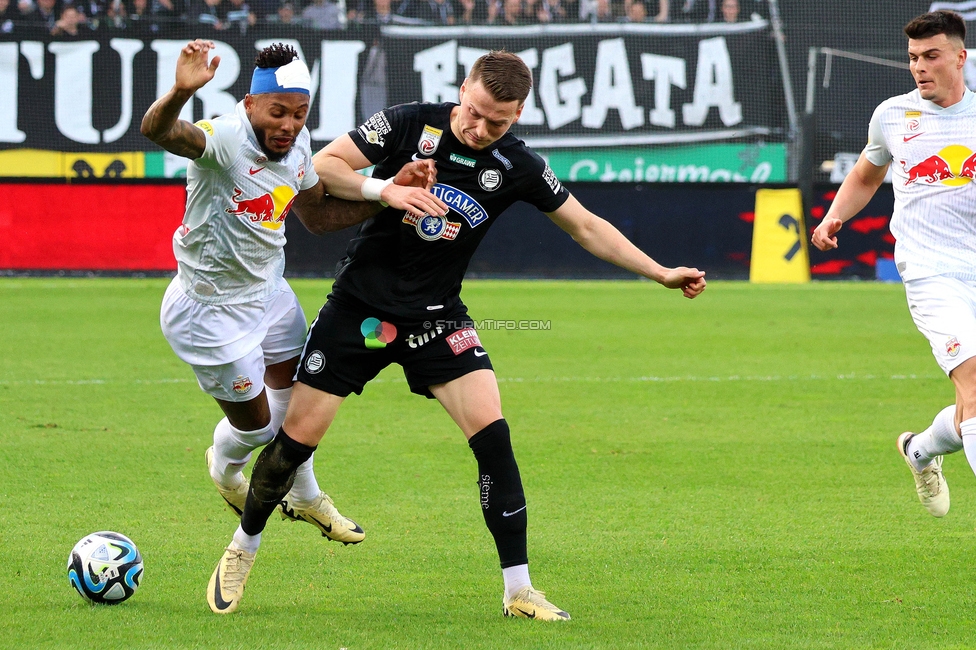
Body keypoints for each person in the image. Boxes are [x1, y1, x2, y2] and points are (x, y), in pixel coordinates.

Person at [206, 50, 706, 619]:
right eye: (474, 112)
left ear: (518, 114)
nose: (480, 128)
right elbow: (324, 168)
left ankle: (518, 590)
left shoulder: (518, 165)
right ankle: (243, 546)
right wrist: (386, 190)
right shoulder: (405, 122)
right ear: (461, 90)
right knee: (295, 443)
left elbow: (587, 226)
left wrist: (661, 272)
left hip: (438, 319)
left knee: (494, 440)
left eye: (498, 121)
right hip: (360, 314)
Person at [140, 41, 443, 566]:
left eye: (300, 113)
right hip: (209, 311)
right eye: (278, 112)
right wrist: (179, 93)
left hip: (271, 295)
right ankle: (225, 471)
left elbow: (319, 217)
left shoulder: (299, 148)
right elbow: (159, 132)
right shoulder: (225, 139)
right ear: (251, 104)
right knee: (257, 429)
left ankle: (304, 497)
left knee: (298, 406)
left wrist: (390, 192)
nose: (289, 124)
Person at [811, 11, 975, 520]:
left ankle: (921, 449)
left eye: (930, 56)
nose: (919, 68)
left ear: (959, 57)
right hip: (931, 272)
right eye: (912, 59)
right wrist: (834, 216)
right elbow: (865, 173)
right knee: (974, 384)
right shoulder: (892, 115)